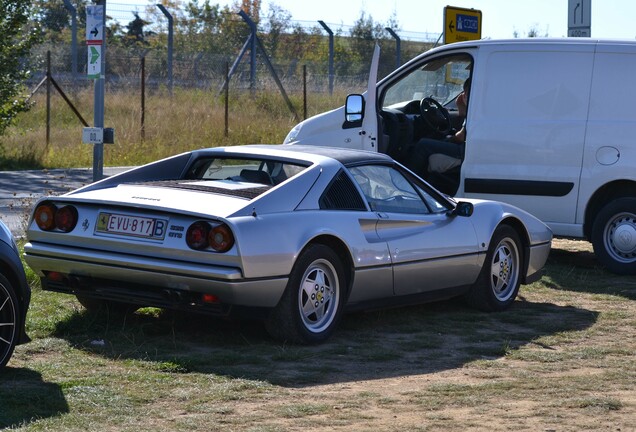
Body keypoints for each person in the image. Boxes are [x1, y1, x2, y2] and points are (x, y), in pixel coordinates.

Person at [411, 77, 470, 175]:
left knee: (423, 144)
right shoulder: (480, 108)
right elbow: (464, 121)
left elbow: (461, 137)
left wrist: (450, 140)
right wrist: (461, 105)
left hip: (466, 151)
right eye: (465, 94)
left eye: (467, 94)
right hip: (470, 148)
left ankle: (408, 181)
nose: (465, 97)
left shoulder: (476, 111)